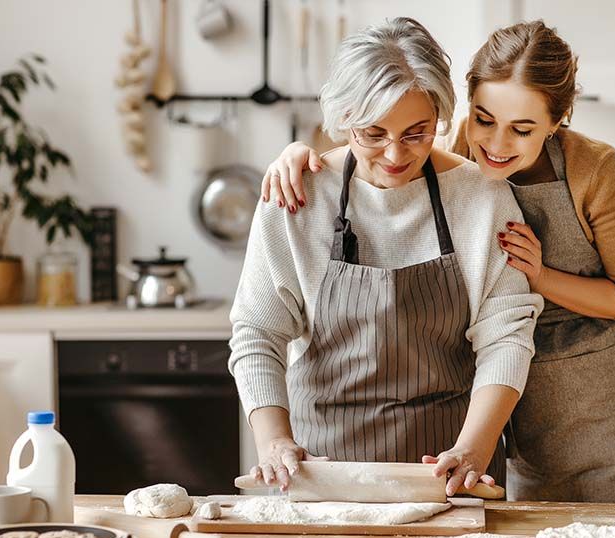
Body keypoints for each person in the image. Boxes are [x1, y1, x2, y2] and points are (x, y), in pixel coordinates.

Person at [261, 20, 615, 503]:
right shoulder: (459, 156)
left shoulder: (594, 172)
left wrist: (540, 277)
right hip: (515, 407)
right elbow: (388, 145)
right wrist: (302, 157)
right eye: (484, 119)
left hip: (607, 405)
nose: (497, 145)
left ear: (558, 119)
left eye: (522, 129)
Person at [229, 17, 542, 497]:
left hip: (449, 472)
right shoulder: (297, 197)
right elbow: (258, 332)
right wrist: (273, 442)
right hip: (321, 472)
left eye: (418, 133)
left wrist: (474, 449)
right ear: (344, 119)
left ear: (440, 116)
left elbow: (506, 336)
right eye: (373, 134)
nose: (396, 154)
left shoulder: (481, 198)